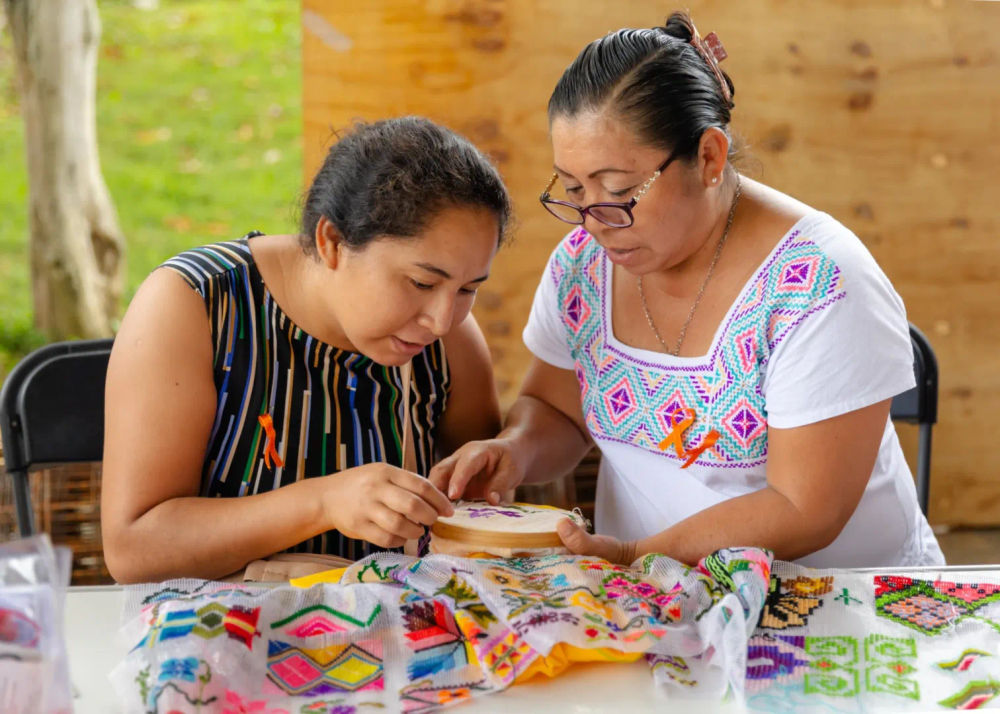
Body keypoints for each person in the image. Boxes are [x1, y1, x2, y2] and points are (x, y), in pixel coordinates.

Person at [430, 12, 944, 568]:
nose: (594, 221)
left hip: (836, 604)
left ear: (709, 158)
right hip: (655, 596)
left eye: (620, 191)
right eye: (573, 189)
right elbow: (556, 408)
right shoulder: (586, 264)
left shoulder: (818, 283)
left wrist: (638, 554)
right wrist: (515, 450)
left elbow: (805, 508)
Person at [101, 117, 511, 582]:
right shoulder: (197, 304)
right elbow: (133, 550)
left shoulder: (447, 338)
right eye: (421, 282)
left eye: (468, 288)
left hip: (406, 638)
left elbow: (479, 522)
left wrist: (487, 493)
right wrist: (323, 503)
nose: (441, 320)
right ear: (332, 240)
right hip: (220, 639)